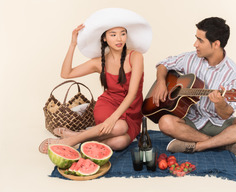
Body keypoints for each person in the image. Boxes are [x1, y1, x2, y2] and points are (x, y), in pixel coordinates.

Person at [39, 8, 152, 154]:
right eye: (113, 34)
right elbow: (66, 73)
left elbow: (132, 94)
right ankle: (71, 141)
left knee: (120, 141)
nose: (119, 39)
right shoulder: (98, 62)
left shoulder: (136, 56)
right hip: (108, 105)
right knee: (120, 128)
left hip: (132, 111)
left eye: (122, 34)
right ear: (104, 38)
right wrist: (73, 44)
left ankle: (76, 138)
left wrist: (113, 119)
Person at [152, 17, 236, 155]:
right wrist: (161, 82)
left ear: (216, 44)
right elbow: (163, 64)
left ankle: (198, 146)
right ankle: (220, 144)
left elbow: (225, 114)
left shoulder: (234, 74)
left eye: (200, 40)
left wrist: (220, 103)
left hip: (218, 124)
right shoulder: (190, 58)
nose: (195, 44)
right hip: (190, 121)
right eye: (196, 38)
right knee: (165, 122)